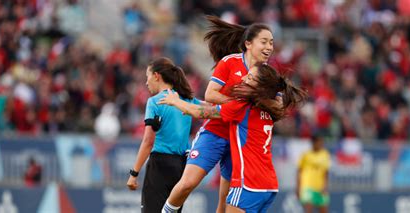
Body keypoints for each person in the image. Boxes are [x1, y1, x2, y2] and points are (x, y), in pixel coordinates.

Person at [162, 15, 276, 213]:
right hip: (216, 129)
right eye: (264, 42)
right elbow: (210, 95)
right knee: (188, 183)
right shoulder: (230, 62)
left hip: (240, 140)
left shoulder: (267, 75)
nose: (269, 47)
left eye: (272, 43)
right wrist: (240, 104)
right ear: (248, 44)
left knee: (225, 200)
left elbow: (278, 104)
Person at [160, 63, 306, 212]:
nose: (243, 78)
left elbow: (201, 113)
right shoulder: (269, 109)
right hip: (268, 185)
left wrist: (175, 101)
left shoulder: (242, 107)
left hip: (248, 183)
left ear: (260, 86)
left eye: (249, 77)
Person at [126, 57, 201, 213]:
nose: (146, 82)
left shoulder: (155, 102)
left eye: (147, 77)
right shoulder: (187, 100)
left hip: (159, 166)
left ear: (156, 76)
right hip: (181, 168)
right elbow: (212, 110)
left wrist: (134, 173)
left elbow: (148, 141)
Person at [296, 135, 331, 213]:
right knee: (309, 209)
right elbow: (299, 171)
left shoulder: (325, 154)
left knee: (324, 209)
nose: (321, 144)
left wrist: (325, 186)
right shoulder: (305, 155)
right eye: (319, 142)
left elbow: (326, 172)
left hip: (320, 187)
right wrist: (298, 187)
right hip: (307, 186)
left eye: (321, 142)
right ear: (313, 143)